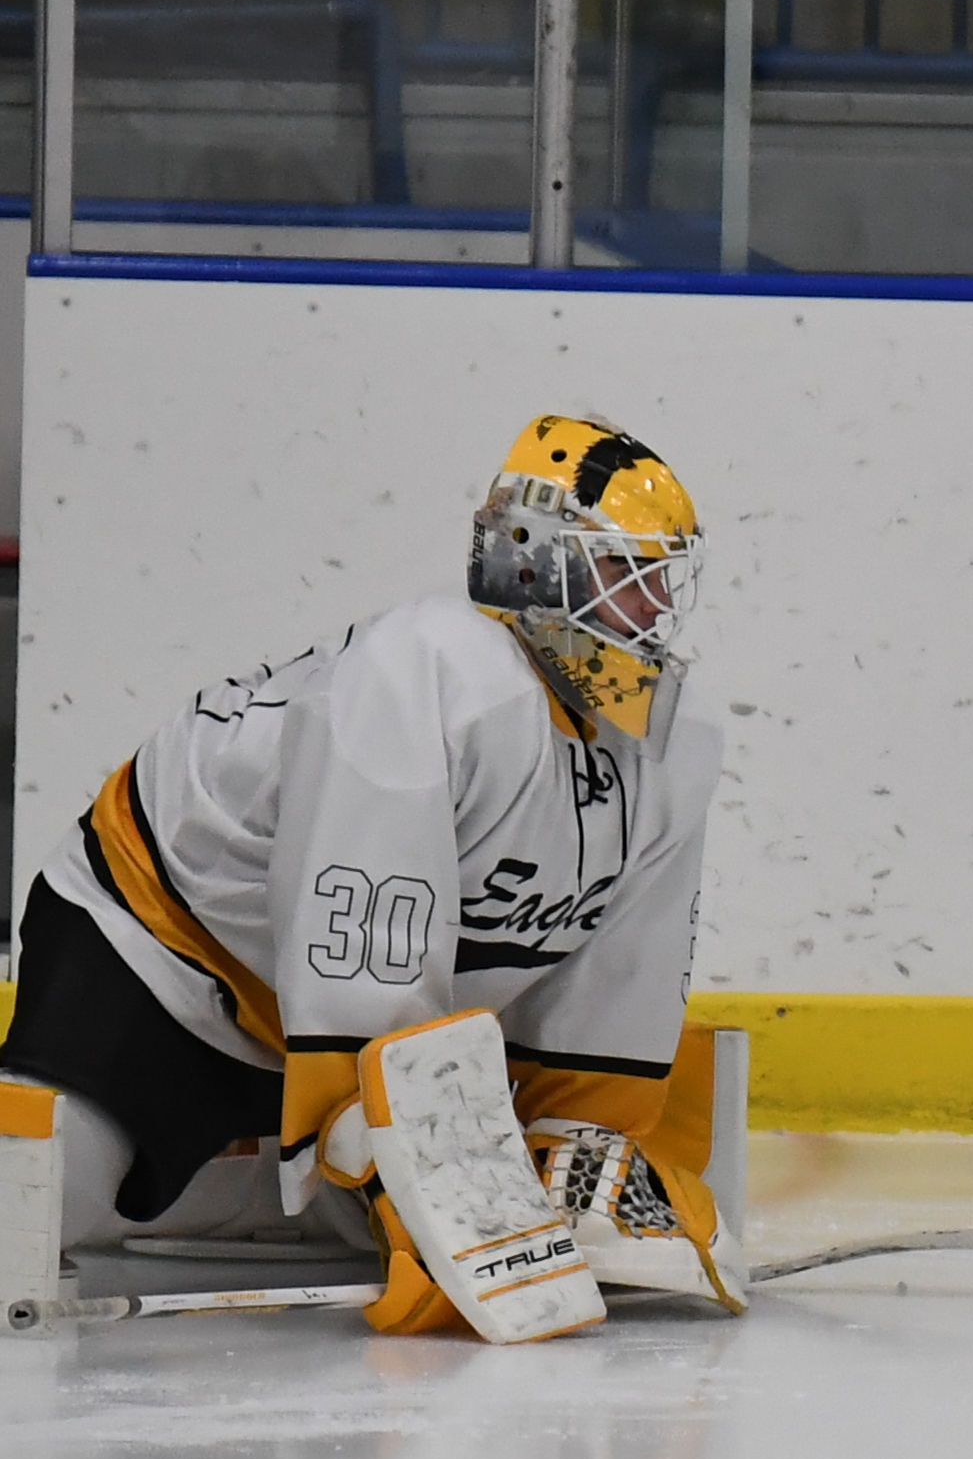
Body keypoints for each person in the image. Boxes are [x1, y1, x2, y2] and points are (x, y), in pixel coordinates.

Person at [0, 416, 738, 1341]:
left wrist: (576, 1149)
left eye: (661, 579)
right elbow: (362, 952)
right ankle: (272, 1170)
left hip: (324, 1018)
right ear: (533, 562)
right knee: (25, 1208)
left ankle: (285, 1182)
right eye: (624, 574)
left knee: (345, 1193)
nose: (651, 609)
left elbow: (620, 972)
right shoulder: (425, 673)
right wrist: (419, 1173)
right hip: (163, 954)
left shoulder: (675, 740)